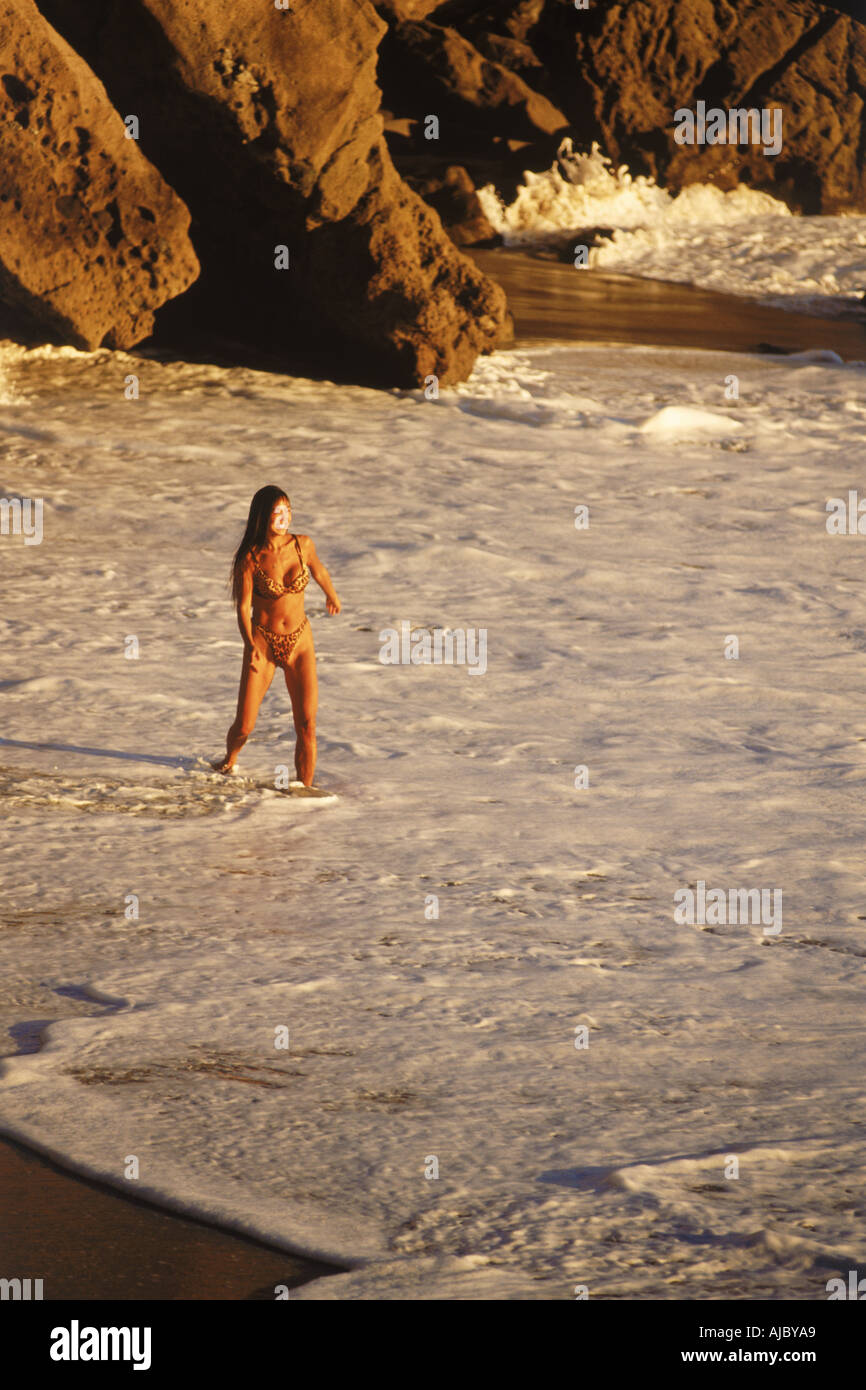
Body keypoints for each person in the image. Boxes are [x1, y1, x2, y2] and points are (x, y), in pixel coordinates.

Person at [213, 485, 340, 785]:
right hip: (263, 643)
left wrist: (332, 596)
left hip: (300, 640)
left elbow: (319, 571)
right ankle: (230, 759)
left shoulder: (303, 545)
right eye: (276, 513)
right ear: (262, 517)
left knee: (307, 724)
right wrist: (250, 645)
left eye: (288, 511)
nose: (284, 518)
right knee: (245, 725)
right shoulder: (251, 557)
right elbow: (244, 608)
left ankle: (304, 791)